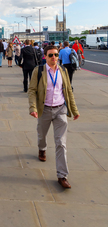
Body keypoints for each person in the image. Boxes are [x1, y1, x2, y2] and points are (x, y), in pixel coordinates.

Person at [28, 45, 80, 189]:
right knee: (42, 135)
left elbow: (68, 91)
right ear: (45, 56)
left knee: (61, 143)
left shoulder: (63, 70)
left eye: (56, 55)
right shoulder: (38, 71)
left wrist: (74, 110)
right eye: (50, 55)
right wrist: (33, 108)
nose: (54, 58)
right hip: (44, 110)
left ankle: (62, 175)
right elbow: (32, 90)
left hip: (60, 110)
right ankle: (42, 148)